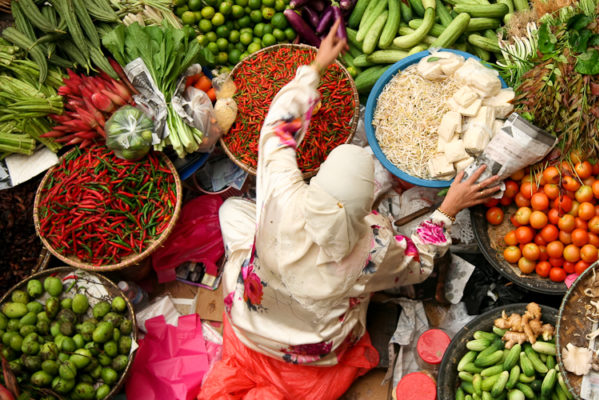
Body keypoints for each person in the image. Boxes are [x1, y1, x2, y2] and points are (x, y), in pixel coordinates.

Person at [199, 20, 501, 400]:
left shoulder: (283, 194)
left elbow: (277, 129)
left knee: (232, 211)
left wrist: (314, 70)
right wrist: (447, 210)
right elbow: (420, 263)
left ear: (317, 183)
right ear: (365, 208)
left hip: (249, 315)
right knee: (360, 296)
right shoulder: (371, 250)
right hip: (312, 347)